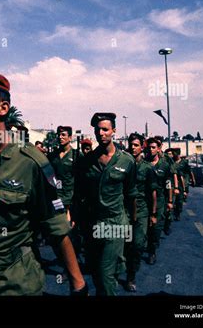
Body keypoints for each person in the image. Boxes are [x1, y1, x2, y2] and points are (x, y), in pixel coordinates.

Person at [0, 67, 87, 295]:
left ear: (3, 108)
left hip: (15, 281)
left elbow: (56, 228)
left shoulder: (30, 162)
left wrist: (78, 283)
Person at [74, 112, 137, 296]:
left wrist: (131, 222)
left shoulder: (126, 161)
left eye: (105, 129)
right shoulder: (86, 161)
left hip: (114, 223)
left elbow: (131, 194)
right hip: (92, 224)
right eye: (97, 129)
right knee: (94, 271)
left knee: (106, 273)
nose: (101, 133)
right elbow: (79, 194)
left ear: (114, 131)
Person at [123, 133, 157, 292]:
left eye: (136, 145)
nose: (132, 147)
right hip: (124, 210)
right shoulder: (123, 165)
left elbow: (153, 193)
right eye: (131, 144)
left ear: (141, 147)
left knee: (137, 244)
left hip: (142, 211)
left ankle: (131, 276)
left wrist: (153, 214)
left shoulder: (147, 168)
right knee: (122, 244)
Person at [145, 137, 173, 265]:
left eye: (153, 147)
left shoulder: (164, 165)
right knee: (145, 226)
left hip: (160, 199)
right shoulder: (144, 163)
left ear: (159, 149)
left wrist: (170, 201)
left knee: (156, 227)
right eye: (149, 147)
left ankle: (152, 251)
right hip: (145, 199)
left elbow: (168, 184)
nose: (151, 150)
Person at [48, 126, 78, 226]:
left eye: (63, 135)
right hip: (56, 197)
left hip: (70, 199)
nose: (60, 137)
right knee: (58, 225)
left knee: (69, 227)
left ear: (70, 138)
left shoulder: (76, 155)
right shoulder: (52, 156)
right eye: (59, 135)